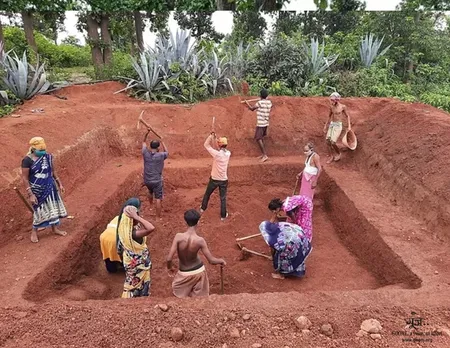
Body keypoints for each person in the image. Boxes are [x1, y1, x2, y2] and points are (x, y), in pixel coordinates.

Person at [167, 209, 226, 298]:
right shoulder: (200, 241)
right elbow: (211, 260)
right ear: (198, 222)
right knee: (199, 300)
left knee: (179, 298)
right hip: (198, 272)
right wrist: (221, 261)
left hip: (184, 273)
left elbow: (169, 258)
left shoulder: (178, 237)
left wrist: (169, 268)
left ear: (185, 222)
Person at [21, 137, 68, 243]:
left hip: (50, 186)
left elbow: (52, 171)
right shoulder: (27, 160)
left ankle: (55, 228)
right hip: (37, 189)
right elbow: (25, 178)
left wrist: (59, 184)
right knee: (39, 210)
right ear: (33, 149)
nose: (42, 152)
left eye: (43, 150)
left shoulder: (48, 157)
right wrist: (31, 194)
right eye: (40, 150)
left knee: (53, 207)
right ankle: (34, 231)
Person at [259, 199, 312, 279]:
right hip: (298, 233)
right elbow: (270, 223)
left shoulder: (287, 209)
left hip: (293, 239)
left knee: (283, 256)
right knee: (295, 252)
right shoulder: (278, 225)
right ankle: (298, 268)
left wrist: (274, 258)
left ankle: (282, 274)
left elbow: (273, 249)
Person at [116, 198, 155, 298]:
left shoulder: (125, 230)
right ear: (130, 220)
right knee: (134, 285)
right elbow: (151, 228)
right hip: (137, 265)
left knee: (134, 282)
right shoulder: (133, 234)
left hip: (131, 261)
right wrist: (136, 217)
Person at [200, 133, 231, 221]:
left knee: (207, 194)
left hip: (214, 179)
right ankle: (223, 216)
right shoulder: (228, 153)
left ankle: (203, 208)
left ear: (219, 145)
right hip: (224, 180)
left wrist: (211, 136)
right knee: (223, 198)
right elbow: (219, 149)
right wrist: (216, 139)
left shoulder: (217, 154)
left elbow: (206, 145)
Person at [142, 129, 168, 218]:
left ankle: (150, 205)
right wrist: (163, 141)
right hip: (157, 181)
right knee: (158, 198)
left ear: (150, 146)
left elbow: (143, 142)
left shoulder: (145, 153)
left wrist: (146, 133)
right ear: (158, 148)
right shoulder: (161, 155)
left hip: (147, 180)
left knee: (150, 191)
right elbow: (167, 152)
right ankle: (157, 217)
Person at [323, 92, 352, 163]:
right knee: (327, 141)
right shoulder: (331, 107)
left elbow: (347, 116)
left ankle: (338, 153)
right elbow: (329, 116)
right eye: (331, 100)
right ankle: (331, 156)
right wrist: (325, 125)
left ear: (337, 100)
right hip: (332, 124)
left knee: (333, 142)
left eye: (333, 100)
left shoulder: (343, 107)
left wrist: (349, 126)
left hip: (338, 125)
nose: (332, 101)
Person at [246, 88, 273, 163]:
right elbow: (269, 105)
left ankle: (264, 155)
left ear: (260, 95)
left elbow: (252, 109)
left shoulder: (259, 103)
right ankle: (263, 154)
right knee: (261, 137)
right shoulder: (269, 103)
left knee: (258, 138)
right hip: (266, 123)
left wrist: (246, 103)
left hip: (261, 124)